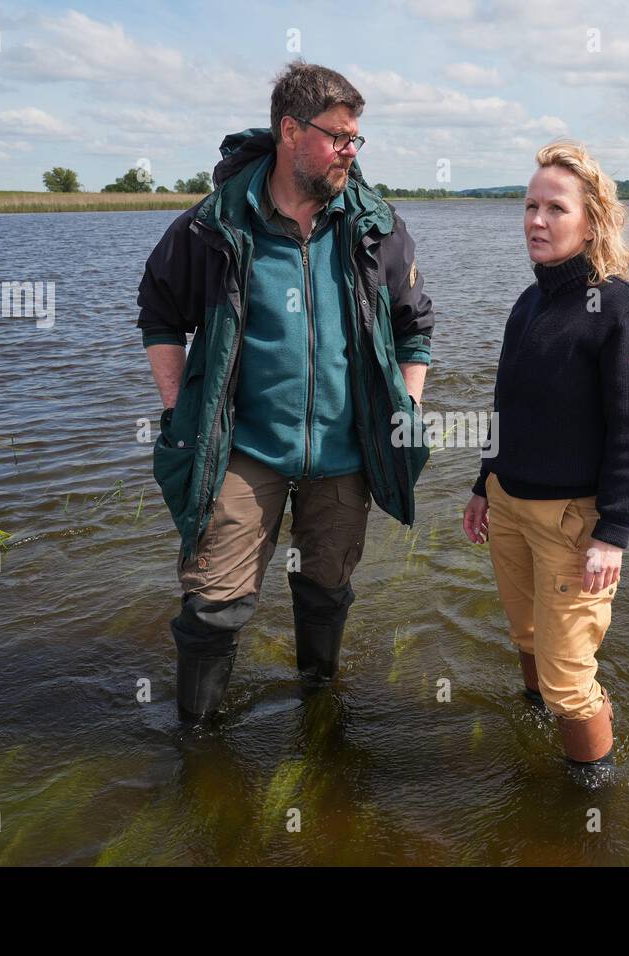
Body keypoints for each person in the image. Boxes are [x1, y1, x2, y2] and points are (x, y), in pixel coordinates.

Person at [137, 60, 434, 721]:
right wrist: (177, 406)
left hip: (346, 452)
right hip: (244, 451)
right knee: (215, 602)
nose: (349, 152)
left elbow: (416, 327)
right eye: (339, 137)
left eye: (357, 139)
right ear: (290, 130)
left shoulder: (375, 226)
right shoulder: (213, 226)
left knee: (327, 585)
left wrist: (407, 408)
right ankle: (200, 742)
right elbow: (159, 310)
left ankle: (319, 710)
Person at [462, 140, 629, 772]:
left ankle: (589, 804)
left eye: (555, 208)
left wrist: (614, 532)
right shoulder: (531, 301)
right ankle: (533, 726)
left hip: (573, 523)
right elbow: (507, 405)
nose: (536, 221)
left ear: (592, 220)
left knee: (571, 683)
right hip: (508, 506)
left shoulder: (622, 309)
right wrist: (481, 482)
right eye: (529, 206)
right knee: (525, 638)